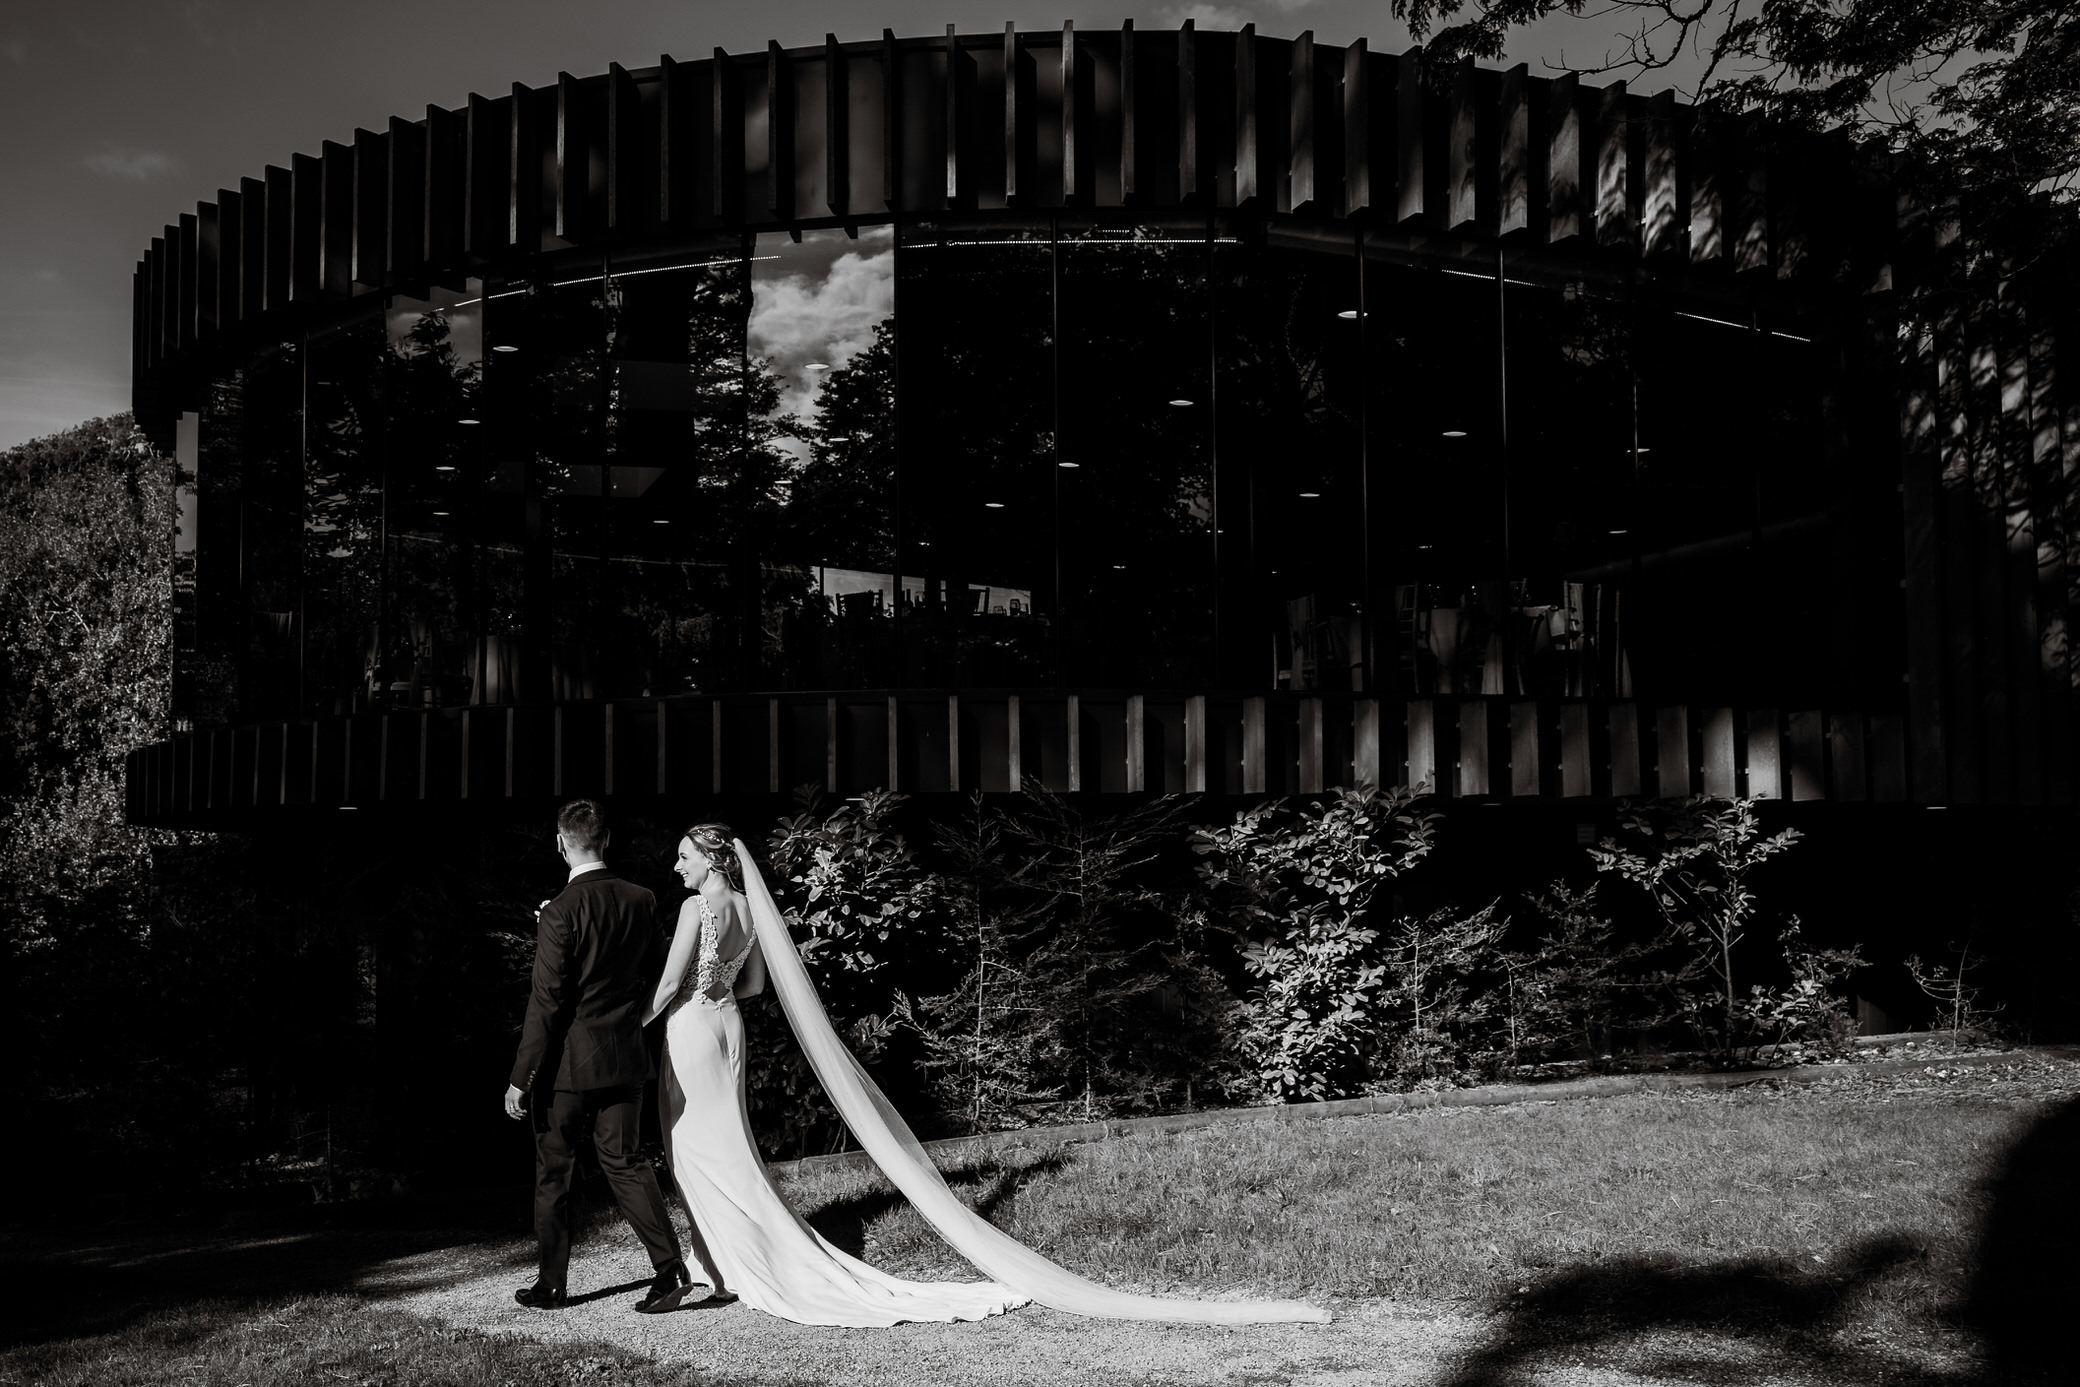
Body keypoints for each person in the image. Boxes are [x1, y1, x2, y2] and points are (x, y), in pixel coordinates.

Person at [647, 824, 1332, 1328]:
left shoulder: (695, 908)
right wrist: (718, 993)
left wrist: (636, 1020)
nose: (675, 864)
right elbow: (759, 983)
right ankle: (738, 1256)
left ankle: (730, 1263)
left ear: (710, 860)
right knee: (728, 1146)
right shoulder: (744, 914)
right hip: (729, 1024)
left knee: (693, 1150)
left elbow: (673, 979)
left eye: (683, 854)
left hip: (691, 1026)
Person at [505, 799, 695, 1314]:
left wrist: (521, 1076)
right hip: (626, 1056)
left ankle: (552, 1285)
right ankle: (670, 1268)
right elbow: (662, 970)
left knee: (555, 1173)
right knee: (628, 1163)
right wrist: (634, 1022)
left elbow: (547, 1001)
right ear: (606, 841)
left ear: (561, 843)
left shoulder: (559, 911)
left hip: (568, 1065)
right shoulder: (641, 899)